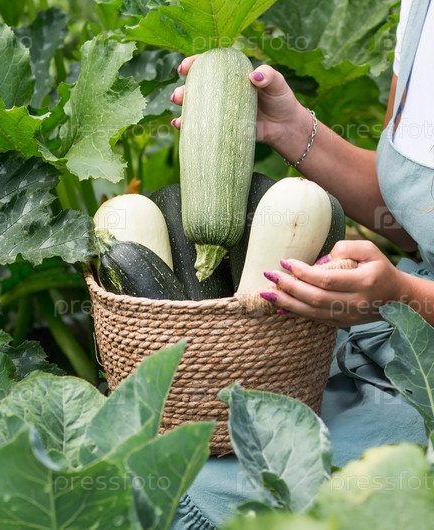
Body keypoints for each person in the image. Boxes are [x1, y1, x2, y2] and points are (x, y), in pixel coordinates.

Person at [168, 0, 432, 527]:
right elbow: (411, 213)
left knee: (197, 481)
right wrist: (287, 128)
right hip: (392, 342)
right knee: (174, 454)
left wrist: (406, 298)